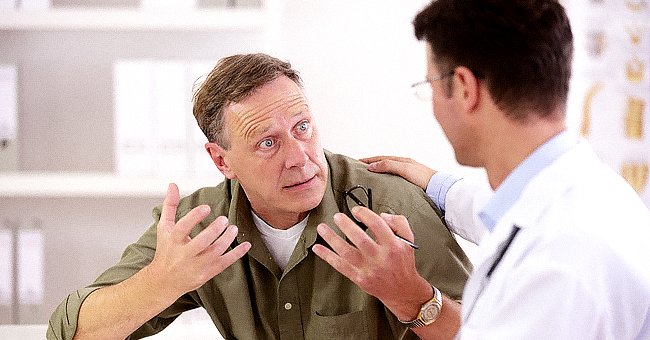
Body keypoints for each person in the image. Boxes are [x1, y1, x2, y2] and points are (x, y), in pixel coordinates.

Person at [46, 53, 472, 340]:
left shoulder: (390, 207)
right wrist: (163, 281)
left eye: (302, 127)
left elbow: (491, 329)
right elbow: (68, 331)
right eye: (267, 143)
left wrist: (411, 296)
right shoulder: (197, 225)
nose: (300, 157)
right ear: (222, 161)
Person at [312, 1, 650, 339]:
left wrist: (411, 298)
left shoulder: (557, 264)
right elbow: (503, 216)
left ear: (464, 88)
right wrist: (437, 186)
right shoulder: (597, 193)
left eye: (429, 85)